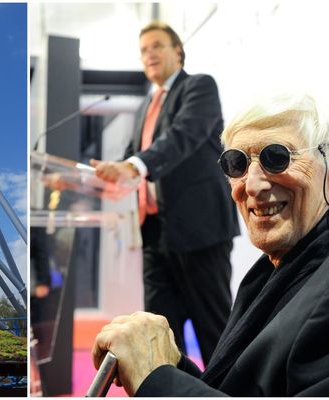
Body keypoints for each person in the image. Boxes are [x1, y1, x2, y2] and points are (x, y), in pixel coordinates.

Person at [91, 92, 329, 396]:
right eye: (237, 164)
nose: (252, 185)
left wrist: (157, 380)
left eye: (277, 157)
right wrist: (166, 362)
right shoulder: (270, 272)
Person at [90, 21, 239, 365]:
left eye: (157, 46)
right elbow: (132, 156)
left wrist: (134, 166)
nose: (150, 54)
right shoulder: (146, 106)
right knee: (158, 332)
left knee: (214, 329)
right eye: (144, 50)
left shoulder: (199, 87)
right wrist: (88, 177)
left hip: (199, 229)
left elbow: (183, 136)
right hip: (156, 233)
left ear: (178, 52)